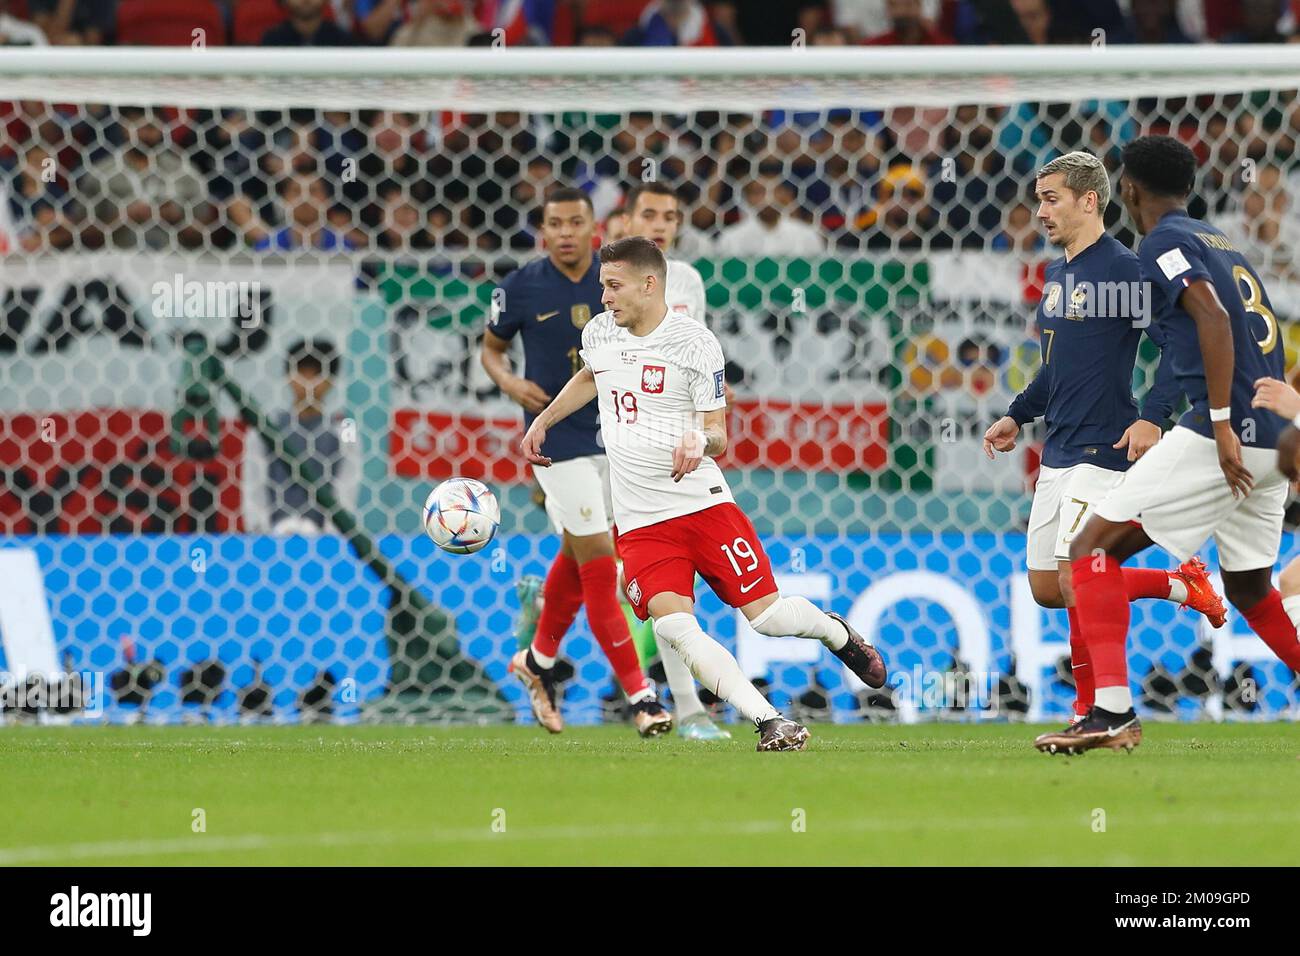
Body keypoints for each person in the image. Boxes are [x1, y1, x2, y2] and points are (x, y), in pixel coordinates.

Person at [521, 237, 888, 752]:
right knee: (676, 628)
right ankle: (770, 722)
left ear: (650, 285)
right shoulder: (600, 331)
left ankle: (836, 634)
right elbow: (590, 375)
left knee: (768, 618)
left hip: (703, 506)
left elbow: (718, 431)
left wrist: (700, 438)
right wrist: (545, 420)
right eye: (603, 286)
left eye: (613, 286)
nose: (603, 297)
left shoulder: (695, 343)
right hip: (642, 525)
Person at [1036, 136, 1298, 755]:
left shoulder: (1164, 242)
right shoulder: (1221, 240)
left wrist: (1224, 424)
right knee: (1252, 586)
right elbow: (1256, 328)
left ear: (1127, 188)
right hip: (1271, 436)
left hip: (1223, 433)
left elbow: (1209, 318)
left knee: (1089, 552)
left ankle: (1110, 713)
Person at [983, 151, 1227, 722]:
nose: (1040, 211)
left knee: (1076, 579)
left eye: (1051, 199)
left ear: (1089, 201)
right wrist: (1019, 415)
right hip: (1059, 449)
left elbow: (1181, 345)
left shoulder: (1126, 268)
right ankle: (1180, 585)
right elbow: (1057, 366)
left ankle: (1093, 709)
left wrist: (1154, 416)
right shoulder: (1059, 274)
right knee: (1047, 586)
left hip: (1106, 448)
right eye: (1039, 199)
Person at [480, 188, 671, 738]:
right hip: (554, 442)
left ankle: (534, 662)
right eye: (554, 223)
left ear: (595, 227)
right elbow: (490, 348)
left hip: (615, 437)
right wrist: (510, 382)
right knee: (600, 562)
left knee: (578, 548)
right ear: (543, 230)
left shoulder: (617, 283)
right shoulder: (520, 287)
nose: (565, 232)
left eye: (575, 223)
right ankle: (642, 698)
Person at [242, 339, 360, 536]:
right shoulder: (265, 428)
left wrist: (332, 537)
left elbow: (346, 488)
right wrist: (260, 533)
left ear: (331, 380)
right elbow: (254, 487)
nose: (308, 382)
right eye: (301, 373)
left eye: (316, 374)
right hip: (272, 538)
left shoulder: (345, 430)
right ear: (288, 376)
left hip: (324, 541)